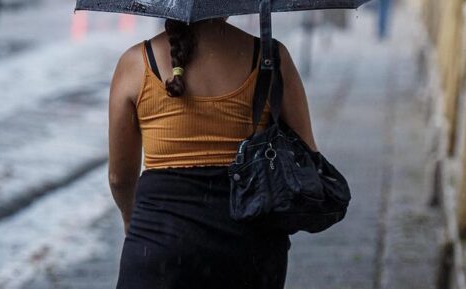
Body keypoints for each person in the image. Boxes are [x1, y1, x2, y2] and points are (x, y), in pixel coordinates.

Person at [108, 17, 318, 289]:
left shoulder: (136, 62)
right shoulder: (271, 57)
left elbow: (119, 178)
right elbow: (307, 154)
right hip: (250, 246)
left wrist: (131, 219)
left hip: (160, 242)